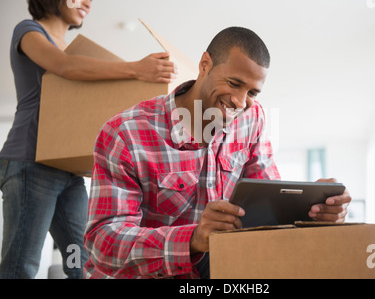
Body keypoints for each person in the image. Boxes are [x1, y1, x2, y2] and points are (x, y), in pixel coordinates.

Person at [84, 26, 352, 279]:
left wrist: (312, 211)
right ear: (204, 65)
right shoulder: (125, 134)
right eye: (234, 83)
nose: (240, 102)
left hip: (215, 267)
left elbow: (267, 197)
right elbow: (103, 243)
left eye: (252, 92)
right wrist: (193, 238)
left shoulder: (252, 118)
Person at [0, 0, 177, 279]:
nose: (88, 3)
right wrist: (136, 68)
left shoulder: (72, 50)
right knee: (22, 265)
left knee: (83, 261)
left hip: (66, 169)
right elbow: (64, 67)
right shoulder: (29, 31)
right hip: (30, 163)